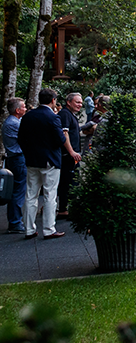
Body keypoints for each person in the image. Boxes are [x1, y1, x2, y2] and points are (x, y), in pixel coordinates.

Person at [18, 88, 73, 239]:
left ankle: (29, 229)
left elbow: (20, 138)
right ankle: (49, 229)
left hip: (32, 159)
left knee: (30, 194)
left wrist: (28, 152)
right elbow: (61, 140)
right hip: (50, 160)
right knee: (50, 194)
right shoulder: (53, 117)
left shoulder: (28, 117)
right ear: (53, 100)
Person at [2, 97, 27, 233]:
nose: (25, 109)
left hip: (14, 158)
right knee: (18, 191)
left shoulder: (12, 122)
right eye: (23, 107)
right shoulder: (14, 123)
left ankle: (15, 220)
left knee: (17, 190)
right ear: (17, 110)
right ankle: (15, 222)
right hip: (17, 158)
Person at [57, 92, 83, 218]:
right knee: (68, 182)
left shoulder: (70, 114)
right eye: (77, 102)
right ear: (69, 102)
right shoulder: (65, 114)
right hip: (68, 156)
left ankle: (65, 208)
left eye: (81, 102)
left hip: (72, 155)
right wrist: (71, 151)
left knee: (70, 182)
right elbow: (64, 133)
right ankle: (64, 209)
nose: (80, 105)